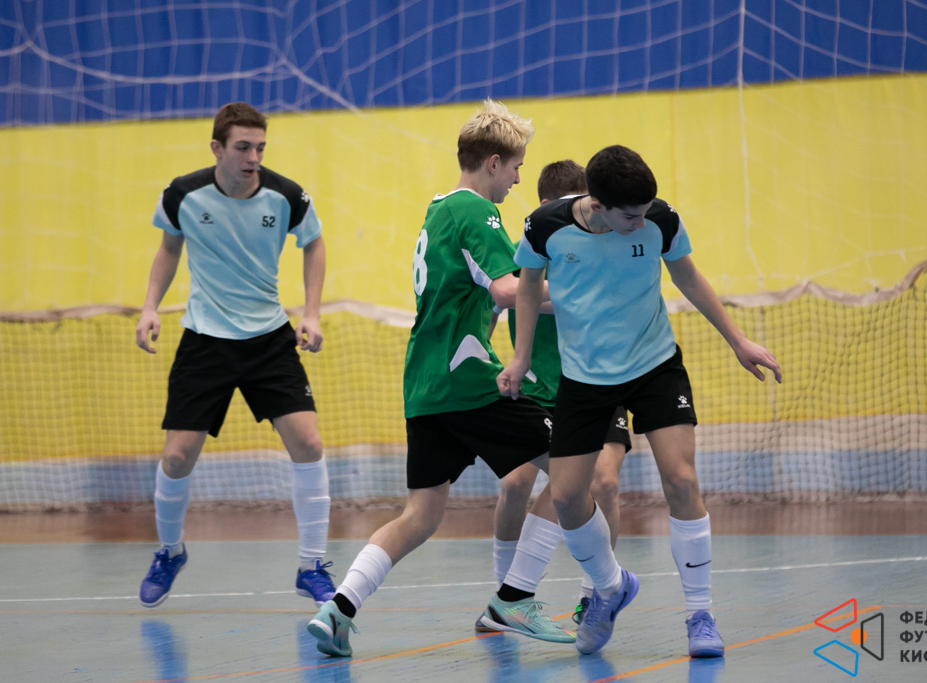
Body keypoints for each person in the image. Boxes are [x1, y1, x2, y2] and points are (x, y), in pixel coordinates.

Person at [307, 99, 573, 658]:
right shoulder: (477, 210)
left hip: (425, 384)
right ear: (494, 162)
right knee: (576, 467)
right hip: (468, 380)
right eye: (516, 167)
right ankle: (518, 597)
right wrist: (583, 292)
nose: (518, 179)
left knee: (421, 515)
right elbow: (508, 289)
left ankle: (338, 608)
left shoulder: (437, 210)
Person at [497, 145, 782, 657]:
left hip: (654, 367)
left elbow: (687, 275)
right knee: (566, 497)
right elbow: (528, 286)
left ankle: (700, 615)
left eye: (645, 211)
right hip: (585, 379)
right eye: (630, 215)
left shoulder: (660, 220)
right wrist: (519, 358)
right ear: (597, 204)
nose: (640, 222)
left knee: (682, 479)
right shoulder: (545, 226)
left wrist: (738, 340)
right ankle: (609, 588)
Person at [134, 102, 335, 609]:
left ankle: (311, 565)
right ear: (217, 148)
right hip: (204, 339)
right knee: (177, 456)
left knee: (309, 443)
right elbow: (169, 247)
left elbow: (313, 244)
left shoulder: (286, 196)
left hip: (269, 339)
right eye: (243, 147)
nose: (253, 157)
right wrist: (150, 307)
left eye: (260, 148)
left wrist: (311, 313)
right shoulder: (182, 194)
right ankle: (169, 552)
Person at [475, 160, 632, 633]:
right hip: (536, 390)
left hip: (597, 385)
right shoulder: (527, 252)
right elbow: (502, 300)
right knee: (514, 484)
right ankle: (505, 596)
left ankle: (594, 596)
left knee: (602, 482)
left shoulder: (606, 248)